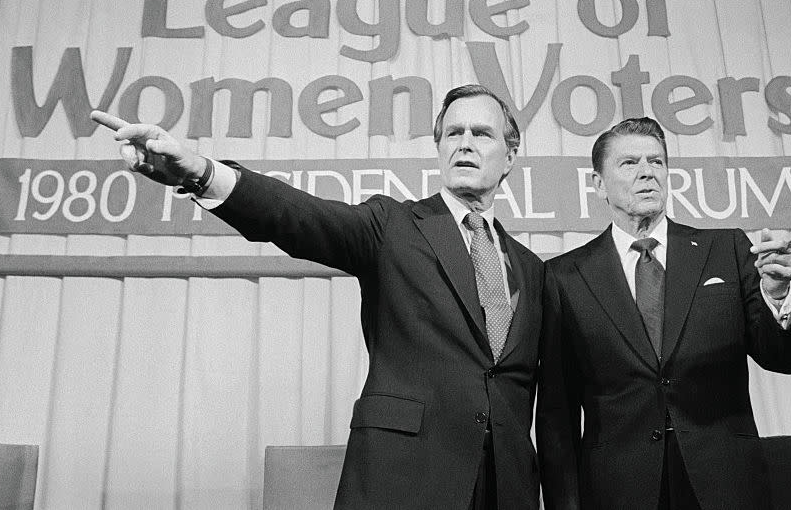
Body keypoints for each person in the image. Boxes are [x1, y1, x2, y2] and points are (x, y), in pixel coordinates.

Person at [91, 84, 544, 510]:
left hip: (508, 488)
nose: (463, 143)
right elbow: (297, 216)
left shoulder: (531, 268)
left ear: (509, 157)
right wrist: (204, 172)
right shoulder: (393, 227)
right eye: (453, 133)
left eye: (481, 133)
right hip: (406, 479)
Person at [536, 117, 791, 510]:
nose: (647, 173)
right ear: (598, 184)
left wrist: (777, 292)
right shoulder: (565, 277)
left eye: (657, 162)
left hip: (725, 485)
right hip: (617, 490)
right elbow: (557, 416)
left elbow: (786, 358)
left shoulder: (727, 249)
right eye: (629, 163)